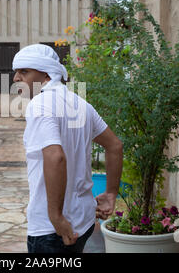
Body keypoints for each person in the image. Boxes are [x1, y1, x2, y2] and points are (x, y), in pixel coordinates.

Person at [12, 44, 123, 253]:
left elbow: (55, 157)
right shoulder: (80, 103)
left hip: (51, 230)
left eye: (24, 71)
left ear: (45, 73)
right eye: (16, 72)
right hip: (84, 220)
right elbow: (115, 145)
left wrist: (56, 216)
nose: (16, 78)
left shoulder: (40, 105)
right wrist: (110, 193)